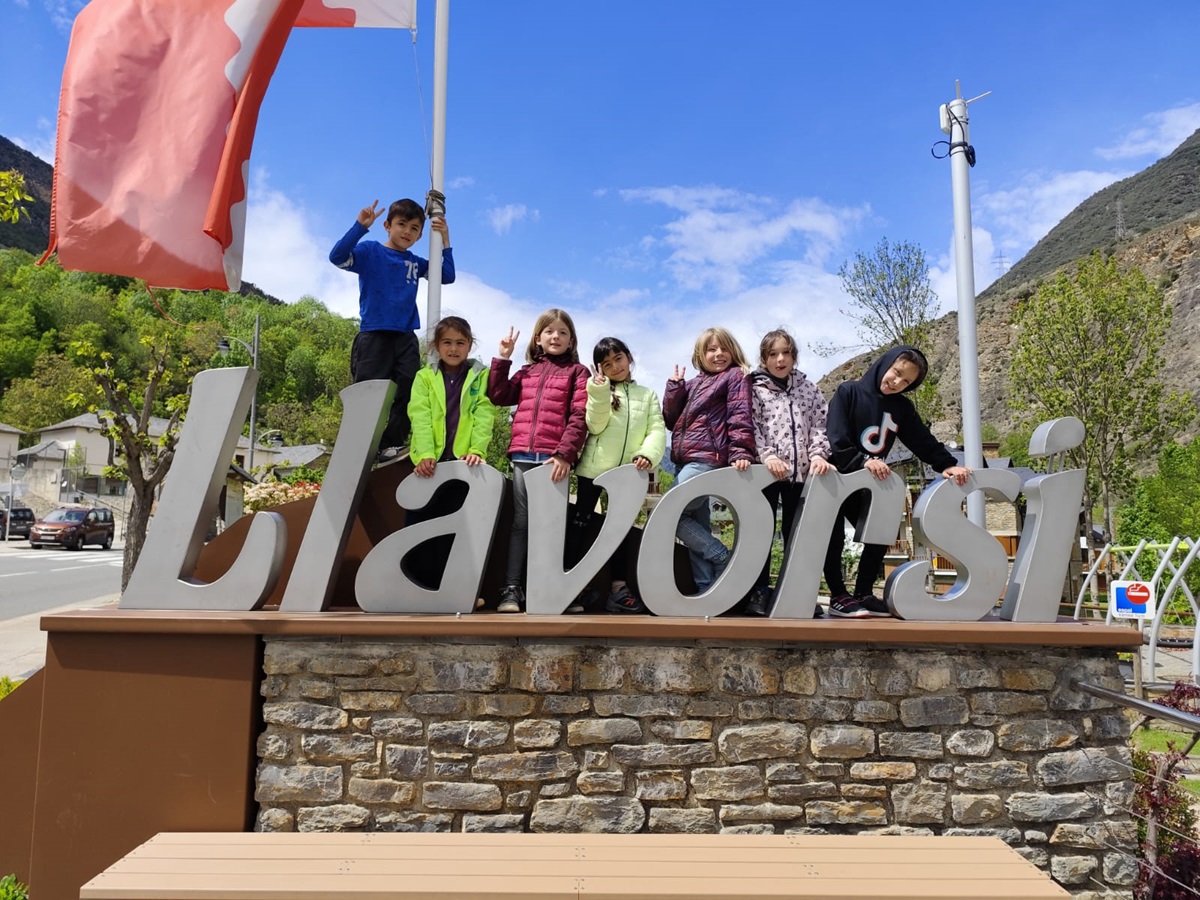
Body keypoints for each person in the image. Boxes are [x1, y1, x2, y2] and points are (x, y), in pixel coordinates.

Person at [823, 345, 971, 618]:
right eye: (896, 372)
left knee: (880, 531)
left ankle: (864, 593)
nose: (897, 382)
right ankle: (838, 595)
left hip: (868, 486)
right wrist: (862, 461)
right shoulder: (849, 392)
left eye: (906, 382)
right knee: (832, 539)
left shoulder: (901, 408)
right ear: (885, 364)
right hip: (837, 480)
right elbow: (836, 436)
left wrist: (947, 464)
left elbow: (922, 440)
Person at [329, 198, 455, 462]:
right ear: (387, 225)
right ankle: (359, 446)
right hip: (374, 335)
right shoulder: (371, 251)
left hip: (405, 337)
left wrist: (444, 240)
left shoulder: (415, 263)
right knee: (369, 392)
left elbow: (446, 275)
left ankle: (389, 445)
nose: (407, 232)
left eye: (414, 228)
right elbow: (337, 257)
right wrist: (360, 227)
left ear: (420, 235)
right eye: (401, 224)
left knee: (409, 390)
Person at [487, 309, 590, 613]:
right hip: (522, 454)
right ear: (537, 339)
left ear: (571, 341)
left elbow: (580, 415)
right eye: (549, 331)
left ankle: (552, 591)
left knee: (552, 526)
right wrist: (503, 358)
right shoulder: (527, 372)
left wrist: (565, 454)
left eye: (562, 332)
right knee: (521, 523)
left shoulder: (578, 372)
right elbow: (498, 394)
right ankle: (511, 589)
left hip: (553, 460)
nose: (555, 336)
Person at [568, 337, 667, 614]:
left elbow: (656, 429)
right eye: (607, 364)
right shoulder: (598, 390)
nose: (615, 367)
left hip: (627, 473)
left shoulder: (647, 394)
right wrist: (599, 393)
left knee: (620, 530)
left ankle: (618, 590)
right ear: (600, 368)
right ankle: (569, 586)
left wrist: (647, 453)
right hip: (593, 470)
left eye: (618, 359)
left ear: (629, 357)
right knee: (579, 526)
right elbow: (595, 426)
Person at [405, 315, 496, 594]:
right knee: (419, 527)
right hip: (429, 466)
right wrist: (425, 455)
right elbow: (420, 417)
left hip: (462, 468)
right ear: (436, 345)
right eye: (447, 342)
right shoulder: (424, 377)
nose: (453, 349)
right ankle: (416, 589)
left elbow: (484, 415)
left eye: (460, 342)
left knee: (458, 530)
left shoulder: (480, 376)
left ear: (469, 345)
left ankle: (456, 591)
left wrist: (476, 450)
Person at [662, 326, 756, 595]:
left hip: (706, 459)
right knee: (698, 525)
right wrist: (674, 388)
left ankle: (721, 556)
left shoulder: (735, 376)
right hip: (684, 461)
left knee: (669, 513)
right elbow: (670, 420)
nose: (718, 354)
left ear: (733, 351)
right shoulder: (693, 384)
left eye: (724, 348)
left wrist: (740, 451)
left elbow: (740, 415)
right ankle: (708, 589)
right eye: (711, 349)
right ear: (700, 355)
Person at [746, 328, 832, 617]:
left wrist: (818, 454)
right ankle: (758, 592)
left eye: (786, 353)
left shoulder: (808, 388)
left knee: (797, 536)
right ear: (764, 359)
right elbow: (751, 426)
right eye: (773, 354)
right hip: (767, 475)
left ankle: (798, 593)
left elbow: (820, 424)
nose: (780, 359)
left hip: (800, 476)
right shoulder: (754, 389)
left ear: (794, 356)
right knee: (762, 533)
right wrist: (767, 456)